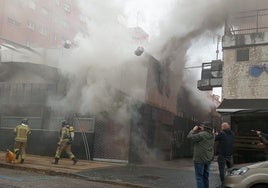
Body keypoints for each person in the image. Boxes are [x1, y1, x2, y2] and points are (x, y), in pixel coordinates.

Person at [187, 122, 215, 188]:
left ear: (205, 128)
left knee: (199, 177)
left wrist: (193, 130)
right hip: (208, 158)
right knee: (206, 177)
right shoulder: (213, 135)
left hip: (199, 159)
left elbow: (189, 137)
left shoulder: (201, 135)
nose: (201, 127)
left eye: (202, 126)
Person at [215, 122, 234, 188]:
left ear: (223, 127)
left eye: (221, 127)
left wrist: (216, 134)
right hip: (230, 154)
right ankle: (231, 183)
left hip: (222, 155)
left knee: (222, 170)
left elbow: (215, 139)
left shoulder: (221, 133)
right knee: (230, 169)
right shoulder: (232, 133)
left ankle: (223, 184)